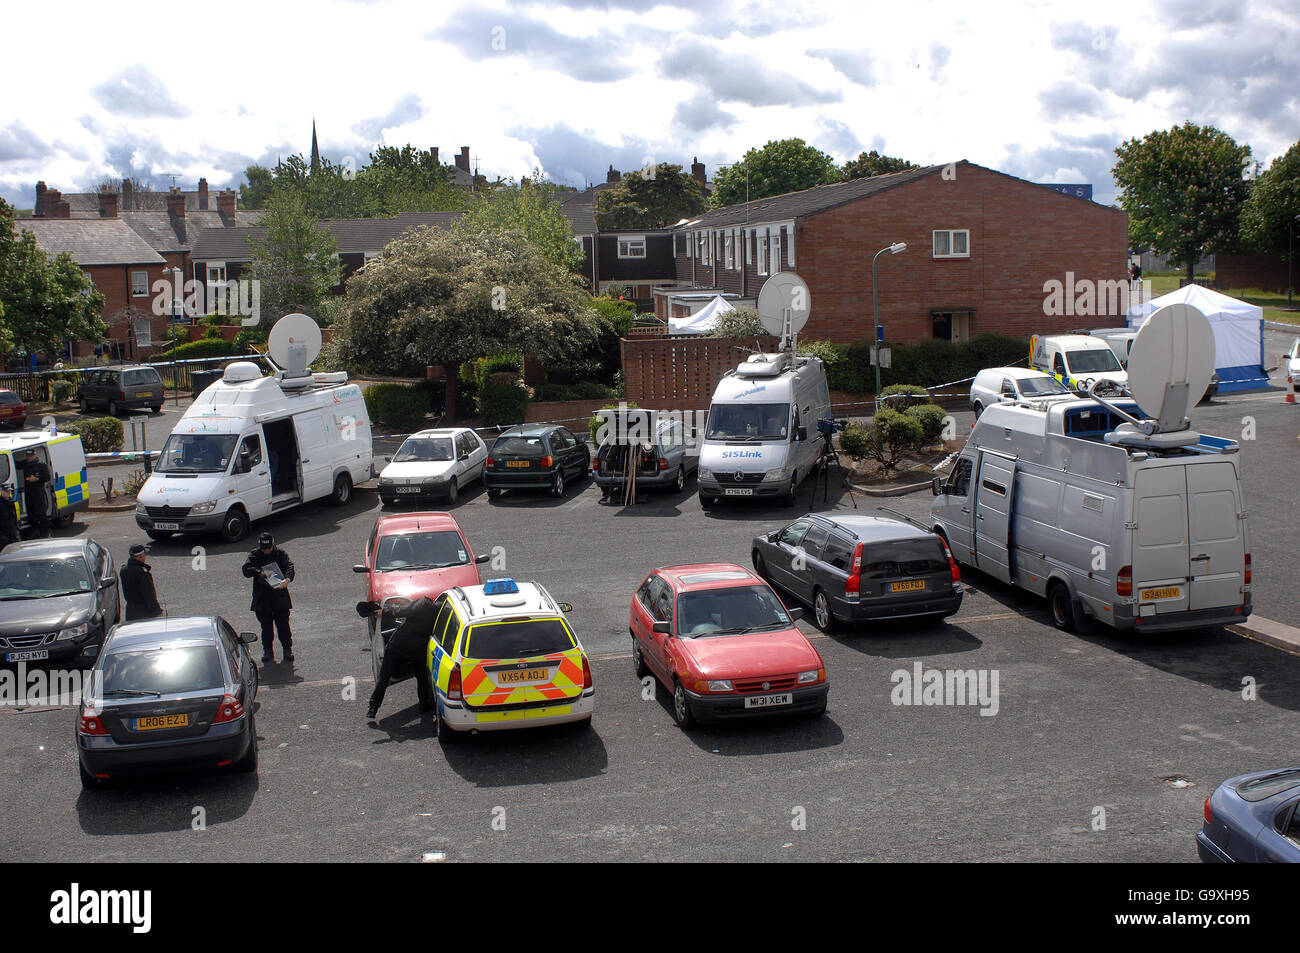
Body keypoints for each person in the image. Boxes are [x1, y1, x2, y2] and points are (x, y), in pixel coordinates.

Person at [364, 597, 437, 721]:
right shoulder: (442, 615)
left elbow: (404, 610)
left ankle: (373, 707)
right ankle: (423, 704)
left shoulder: (424, 603)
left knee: (384, 677)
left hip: (398, 645)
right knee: (421, 677)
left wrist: (385, 611)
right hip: (417, 648)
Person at [242, 532, 295, 663]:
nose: (266, 551)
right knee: (266, 628)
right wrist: (260, 572)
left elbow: (289, 566)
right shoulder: (255, 555)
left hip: (279, 596)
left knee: (283, 626)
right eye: (264, 548)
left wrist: (287, 579)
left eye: (269, 548)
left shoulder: (280, 554)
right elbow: (246, 569)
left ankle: (287, 649)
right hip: (262, 598)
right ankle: (267, 651)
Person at [119, 543, 163, 621]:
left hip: (130, 611)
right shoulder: (142, 572)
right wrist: (157, 611)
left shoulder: (124, 570)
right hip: (144, 612)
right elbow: (149, 594)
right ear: (140, 556)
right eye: (144, 554)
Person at [20, 448, 51, 538]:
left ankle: (45, 532)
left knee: (41, 513)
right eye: (27, 456)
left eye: (30, 456)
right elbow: (16, 464)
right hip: (28, 492)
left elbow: (47, 477)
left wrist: (36, 479)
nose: (29, 458)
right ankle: (35, 531)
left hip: (38, 492)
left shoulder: (41, 465)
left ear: (35, 455)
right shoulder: (25, 463)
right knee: (30, 513)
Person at [0, 486, 20, 552]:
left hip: (12, 532)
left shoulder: (11, 502)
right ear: (2, 492)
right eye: (6, 491)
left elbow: (13, 516)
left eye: (9, 491)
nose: (8, 493)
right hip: (4, 533)